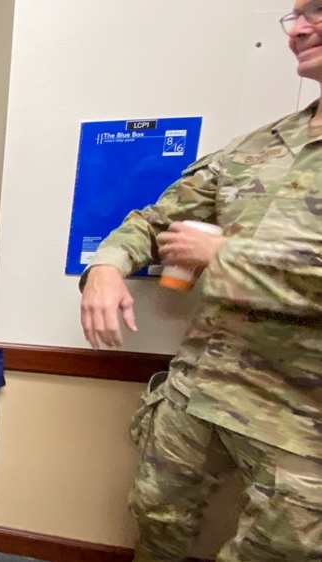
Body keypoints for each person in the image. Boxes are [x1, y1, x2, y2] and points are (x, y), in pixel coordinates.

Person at [80, 3, 322, 560]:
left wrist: (226, 255)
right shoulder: (258, 147)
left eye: (316, 11)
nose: (299, 28)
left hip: (302, 420)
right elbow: (155, 219)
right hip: (202, 388)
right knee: (155, 516)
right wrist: (107, 267)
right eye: (294, 16)